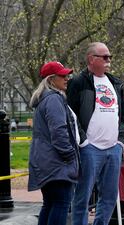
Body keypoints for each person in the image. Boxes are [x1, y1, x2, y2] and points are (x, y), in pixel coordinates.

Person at [67, 42, 124, 225]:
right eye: (105, 57)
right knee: (82, 197)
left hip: (113, 148)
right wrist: (83, 142)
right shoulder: (78, 82)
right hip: (89, 148)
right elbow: (70, 114)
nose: (109, 60)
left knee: (109, 197)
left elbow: (123, 113)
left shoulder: (116, 83)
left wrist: (120, 141)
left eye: (110, 57)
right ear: (91, 59)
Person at [28, 61, 79, 225]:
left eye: (67, 75)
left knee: (50, 203)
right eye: (62, 75)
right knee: (61, 203)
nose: (67, 78)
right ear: (51, 80)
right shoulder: (54, 100)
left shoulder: (44, 99)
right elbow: (58, 132)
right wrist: (70, 155)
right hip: (57, 162)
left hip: (46, 161)